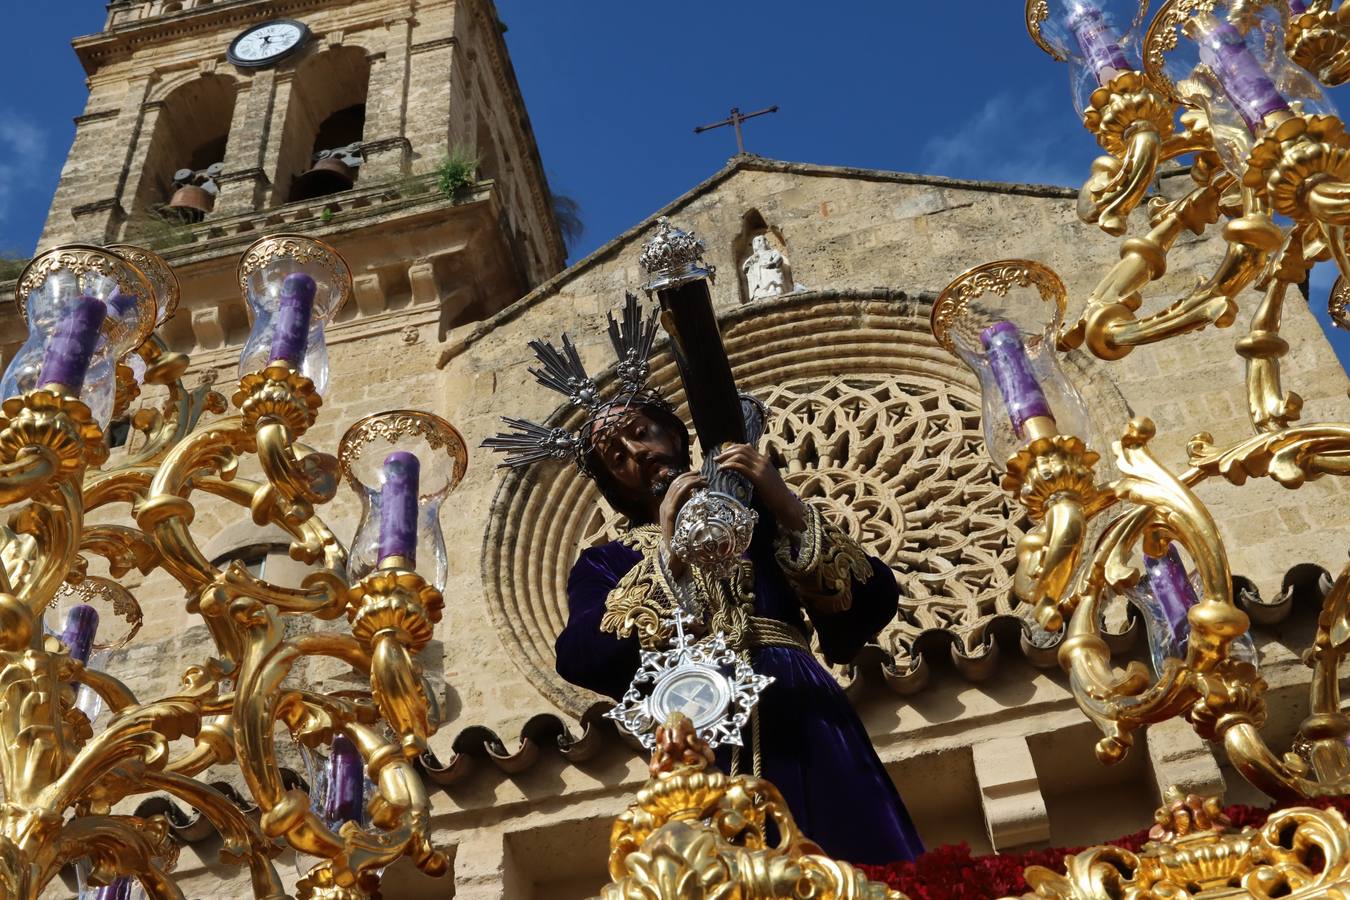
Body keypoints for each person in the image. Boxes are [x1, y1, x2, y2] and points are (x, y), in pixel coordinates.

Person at [553, 398, 925, 865]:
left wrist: (783, 502)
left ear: (674, 435)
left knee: (848, 845)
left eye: (642, 432)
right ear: (614, 483)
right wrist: (670, 550)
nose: (637, 451)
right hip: (697, 720)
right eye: (617, 456)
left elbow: (866, 603)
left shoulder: (756, 518)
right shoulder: (606, 562)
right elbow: (582, 653)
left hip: (795, 696)